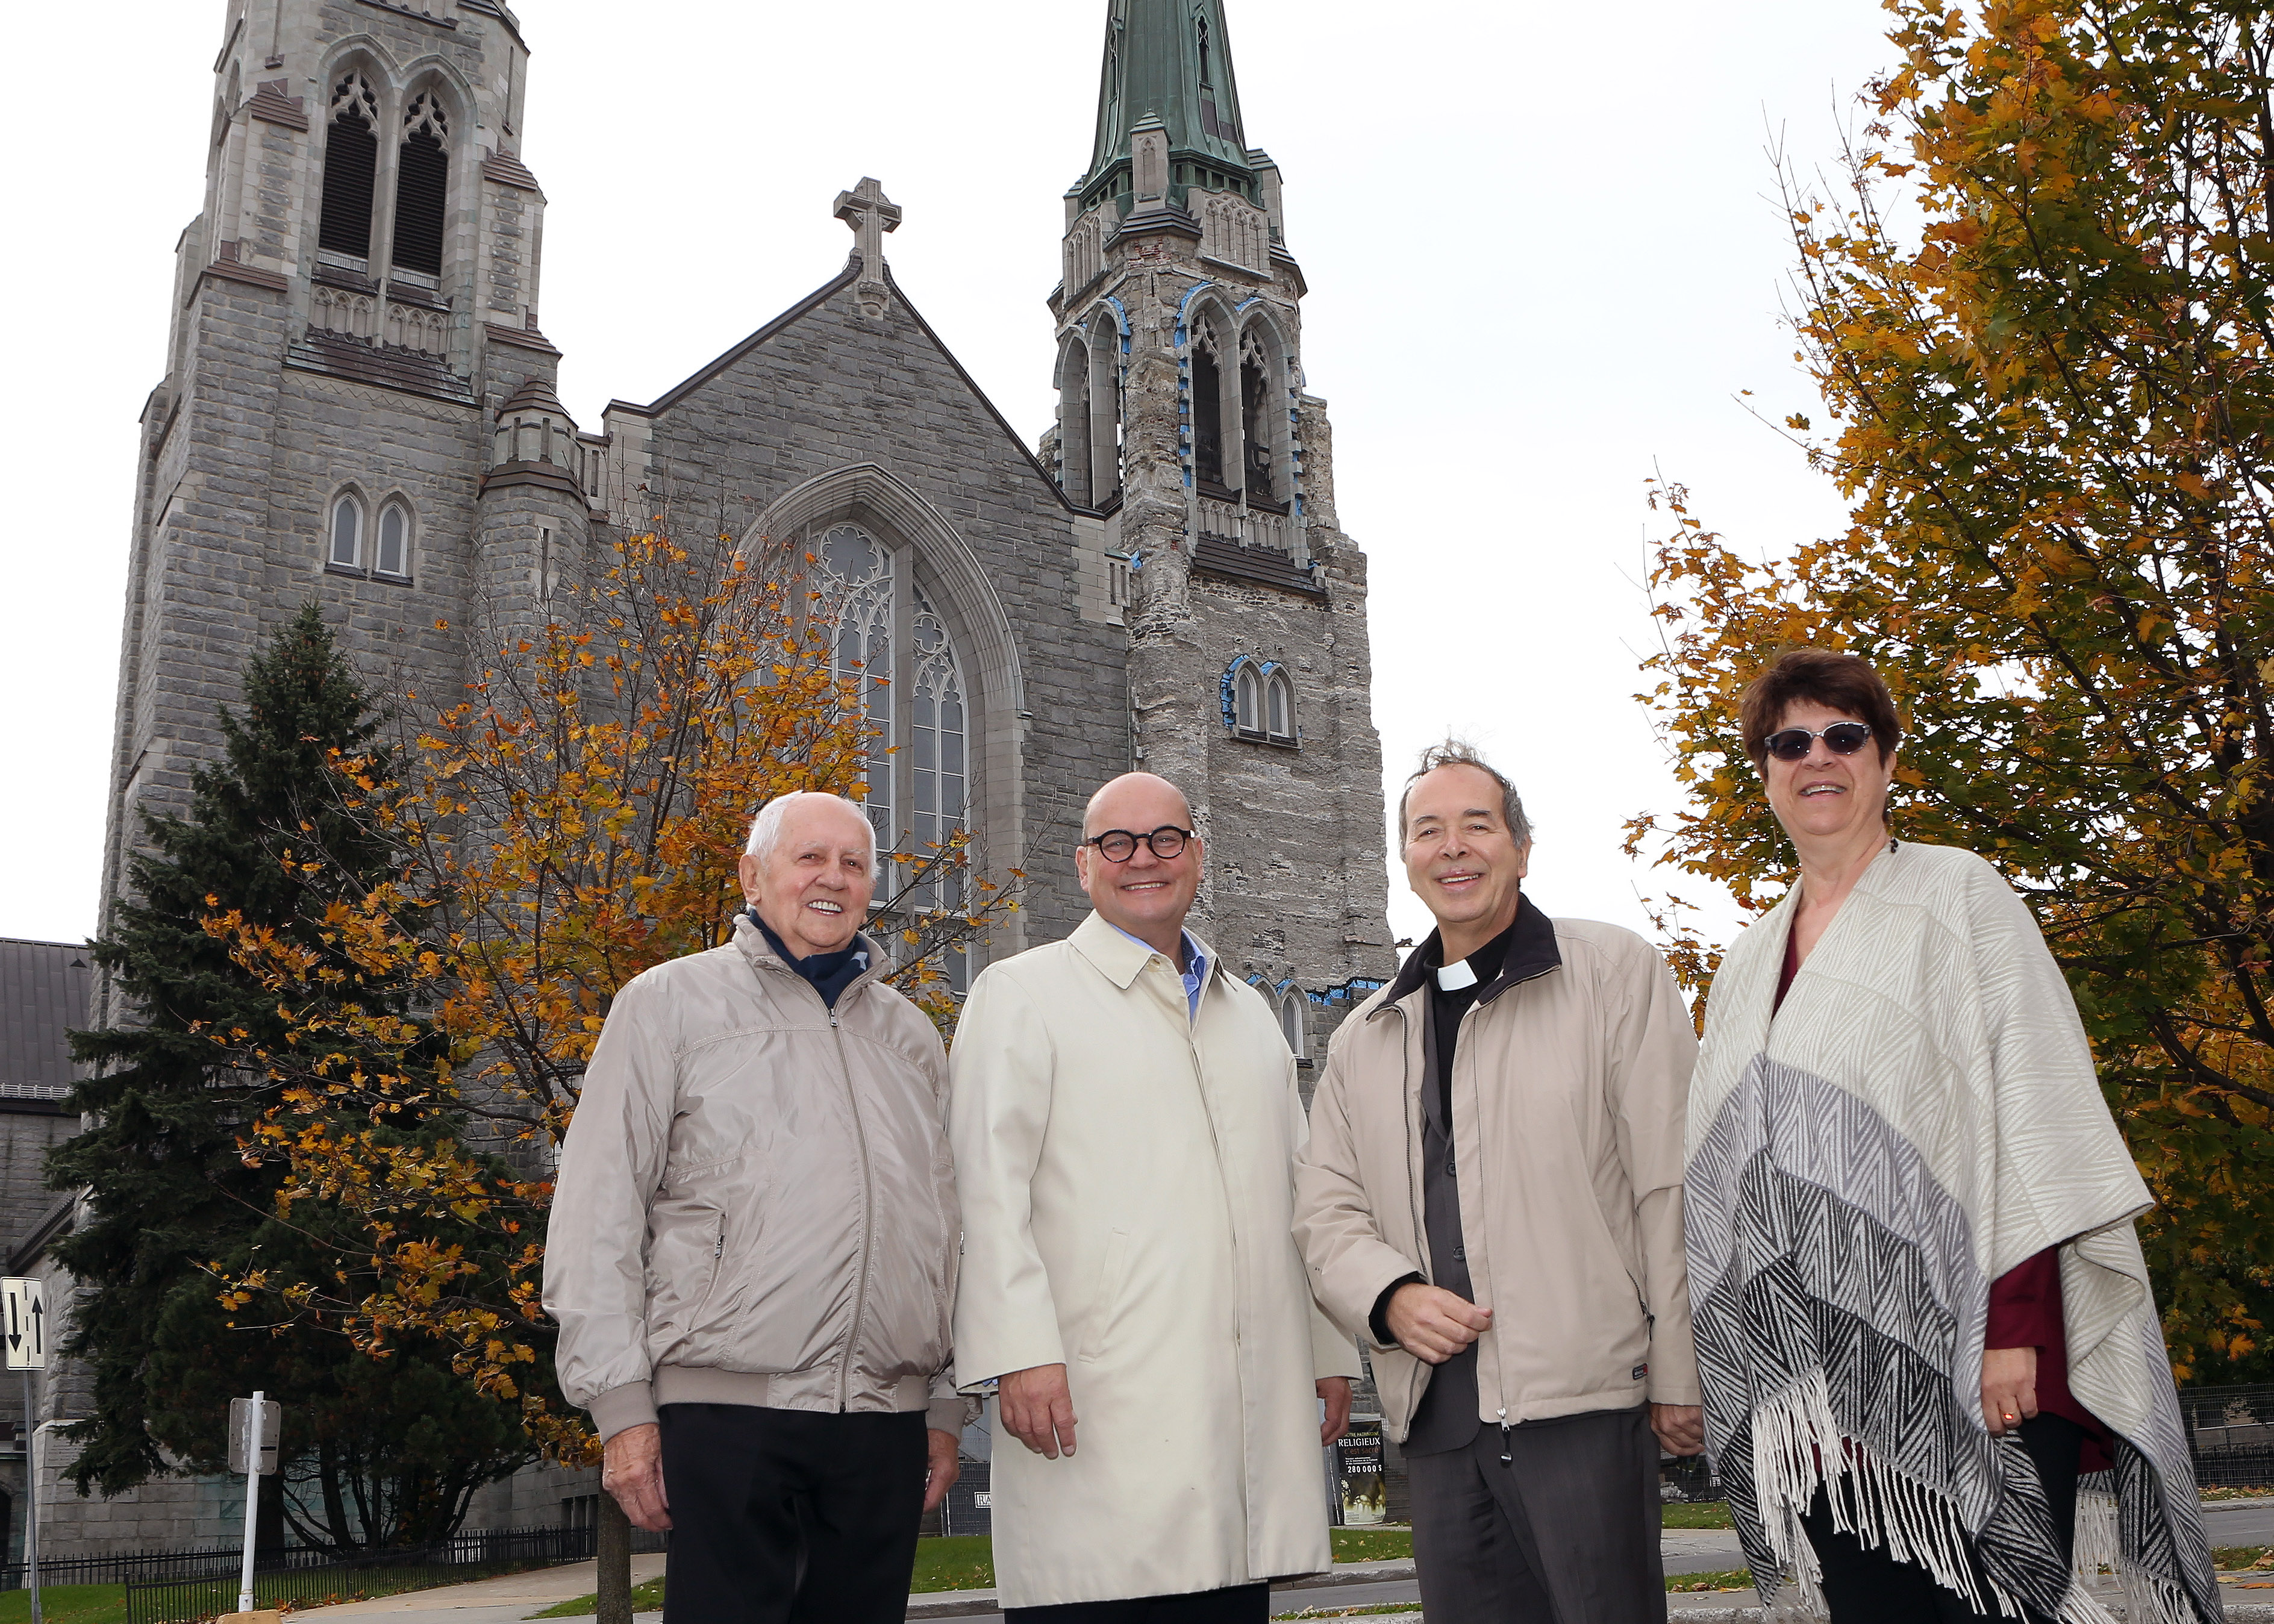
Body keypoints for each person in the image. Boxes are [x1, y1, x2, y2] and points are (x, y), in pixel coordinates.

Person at [1682, 648, 2219, 1624]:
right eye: (1790, 742)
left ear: (1887, 761)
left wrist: (2010, 1331)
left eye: (1845, 736)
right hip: (1826, 1388)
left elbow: (2032, 1112)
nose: (1819, 758)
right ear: (1765, 771)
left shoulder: (1957, 895)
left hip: (1980, 1355)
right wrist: (1772, 1369)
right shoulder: (1751, 956)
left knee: (1994, 1604)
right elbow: (1735, 1174)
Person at [1293, 740, 1703, 1624]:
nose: (1454, 848)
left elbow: (1671, 1184)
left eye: (1478, 825)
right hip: (1439, 1420)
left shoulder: (1613, 973)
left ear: (1521, 846)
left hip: (1583, 1402)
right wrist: (1390, 1296)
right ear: (1405, 860)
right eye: (1427, 830)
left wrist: (1680, 1364)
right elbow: (1324, 1214)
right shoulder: (1364, 1035)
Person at [543, 792, 966, 1624]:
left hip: (886, 1421)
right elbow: (599, 1208)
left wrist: (947, 1403)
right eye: (810, 858)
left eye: (853, 864)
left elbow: (951, 1230)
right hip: (725, 1411)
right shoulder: (666, 1005)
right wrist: (621, 1407)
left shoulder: (913, 1037)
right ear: (753, 875)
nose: (832, 880)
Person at [949, 772, 1359, 1622]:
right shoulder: (1022, 995)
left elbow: (1300, 1189)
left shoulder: (1248, 1014)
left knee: (1224, 1578)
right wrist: (1019, 1351)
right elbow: (986, 1191)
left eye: (1166, 839)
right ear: (1084, 865)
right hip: (1097, 1403)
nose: (1144, 860)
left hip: (1239, 1407)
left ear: (1197, 857)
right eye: (1118, 844)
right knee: (1107, 1583)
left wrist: (1325, 1349)